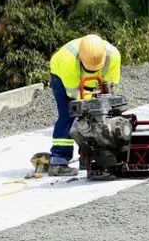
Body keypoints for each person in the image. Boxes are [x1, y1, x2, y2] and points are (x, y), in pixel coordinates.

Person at [48, 34, 121, 176]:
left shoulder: (113, 56)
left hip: (93, 85)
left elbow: (111, 87)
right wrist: (92, 101)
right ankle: (58, 161)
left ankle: (88, 155)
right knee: (68, 114)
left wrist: (103, 104)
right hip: (62, 77)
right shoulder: (67, 60)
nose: (92, 70)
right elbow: (73, 92)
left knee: (102, 115)